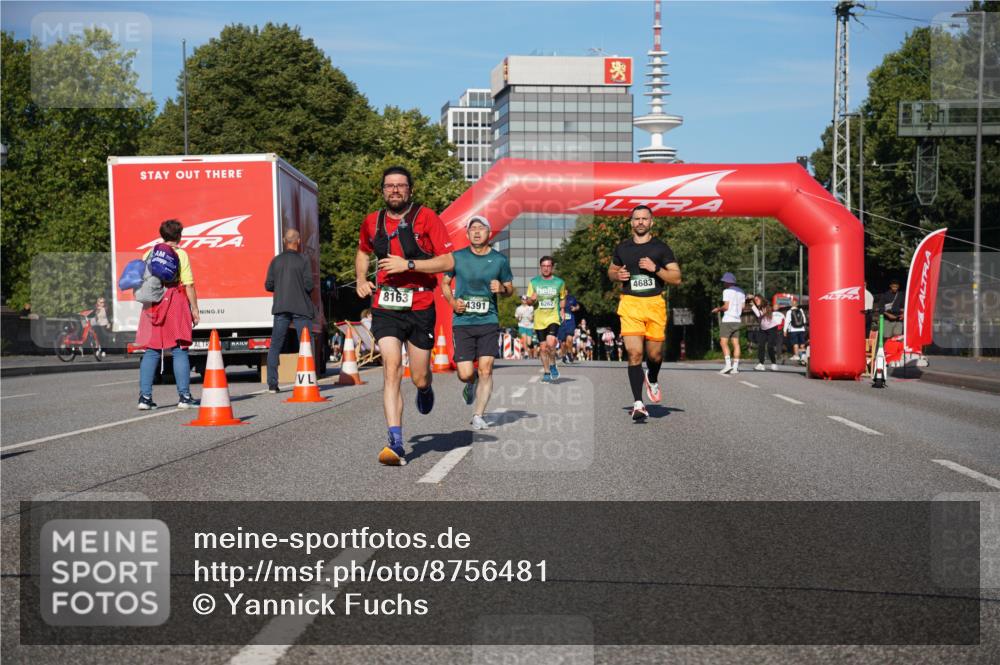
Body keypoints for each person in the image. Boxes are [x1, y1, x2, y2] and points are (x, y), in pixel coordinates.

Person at [356, 165, 454, 466]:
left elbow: (448, 260)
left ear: (410, 189)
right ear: (382, 190)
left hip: (421, 305)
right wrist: (361, 279)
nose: (395, 190)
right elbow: (363, 252)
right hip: (386, 305)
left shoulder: (427, 218)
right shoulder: (372, 222)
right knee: (391, 367)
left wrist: (408, 265)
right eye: (389, 186)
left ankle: (424, 390)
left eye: (400, 185)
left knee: (420, 376)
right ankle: (396, 442)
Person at [607, 205, 682, 421]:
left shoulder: (661, 248)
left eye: (644, 219)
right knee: (634, 354)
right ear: (631, 222)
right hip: (630, 303)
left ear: (651, 222)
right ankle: (638, 403)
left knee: (655, 355)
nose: (640, 222)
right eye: (636, 219)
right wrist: (616, 275)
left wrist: (655, 269)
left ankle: (653, 376)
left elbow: (676, 278)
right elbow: (611, 270)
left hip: (654, 304)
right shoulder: (622, 248)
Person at [442, 215, 514, 430]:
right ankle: (470, 384)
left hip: (488, 320)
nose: (476, 231)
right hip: (463, 321)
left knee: (486, 369)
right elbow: (445, 283)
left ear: (488, 233)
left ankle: (478, 415)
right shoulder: (457, 257)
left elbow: (510, 289)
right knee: (465, 373)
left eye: (480, 228)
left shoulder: (499, 260)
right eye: (472, 228)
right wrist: (453, 303)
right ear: (467, 234)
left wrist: (502, 289)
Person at [135, 219, 200, 410]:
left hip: (153, 303)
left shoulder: (149, 253)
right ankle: (184, 397)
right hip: (174, 300)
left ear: (162, 234)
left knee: (152, 349)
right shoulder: (181, 254)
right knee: (180, 348)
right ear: (179, 236)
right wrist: (194, 309)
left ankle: (145, 398)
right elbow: (188, 284)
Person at [264, 229, 314, 393]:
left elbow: (268, 285)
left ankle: (272, 384)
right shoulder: (304, 260)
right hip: (301, 307)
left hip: (281, 307)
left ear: (285, 241)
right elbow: (309, 285)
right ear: (298, 241)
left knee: (276, 344)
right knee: (306, 343)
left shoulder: (275, 261)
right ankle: (309, 378)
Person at [525, 256, 567, 382]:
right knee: (543, 348)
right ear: (540, 267)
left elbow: (562, 297)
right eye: (544, 266)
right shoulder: (534, 282)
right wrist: (531, 300)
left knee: (550, 343)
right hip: (539, 320)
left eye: (549, 266)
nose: (546, 268)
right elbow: (528, 301)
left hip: (553, 317)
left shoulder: (559, 282)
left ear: (552, 267)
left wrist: (562, 310)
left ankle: (553, 363)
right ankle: (547, 371)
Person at [712, 272, 745, 375]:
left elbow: (726, 306)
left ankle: (728, 365)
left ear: (727, 282)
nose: (723, 283)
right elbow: (743, 307)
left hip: (728, 320)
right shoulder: (741, 291)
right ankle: (735, 367)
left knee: (723, 342)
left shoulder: (726, 291)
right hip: (737, 320)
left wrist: (718, 309)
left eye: (724, 282)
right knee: (736, 343)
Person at [751, 296, 783, 371]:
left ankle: (774, 363)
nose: (756, 301)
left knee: (770, 346)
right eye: (755, 300)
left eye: (757, 299)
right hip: (763, 329)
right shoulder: (757, 307)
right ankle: (761, 364)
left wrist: (753, 306)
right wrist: (751, 298)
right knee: (761, 346)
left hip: (772, 328)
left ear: (761, 299)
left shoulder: (765, 306)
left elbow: (759, 315)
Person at [784, 298, 809, 364]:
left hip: (793, 329)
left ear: (791, 304)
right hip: (801, 329)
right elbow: (804, 320)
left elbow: (787, 321)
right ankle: (803, 356)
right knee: (802, 343)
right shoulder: (801, 310)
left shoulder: (789, 311)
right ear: (797, 304)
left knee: (795, 343)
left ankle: (796, 355)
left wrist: (785, 330)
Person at [558, 293, 580, 363]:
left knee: (570, 339)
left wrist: (575, 308)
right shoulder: (557, 298)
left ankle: (569, 353)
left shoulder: (571, 298)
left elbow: (578, 306)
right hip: (561, 323)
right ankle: (564, 355)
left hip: (570, 322)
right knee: (563, 342)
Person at [515, 295, 535, 359]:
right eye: (523, 299)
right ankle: (526, 353)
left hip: (530, 326)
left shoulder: (531, 308)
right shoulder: (518, 308)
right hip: (522, 325)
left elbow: (533, 317)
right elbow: (517, 318)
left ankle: (529, 349)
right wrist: (519, 318)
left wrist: (531, 318)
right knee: (524, 339)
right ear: (521, 300)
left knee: (529, 342)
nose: (524, 301)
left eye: (526, 299)